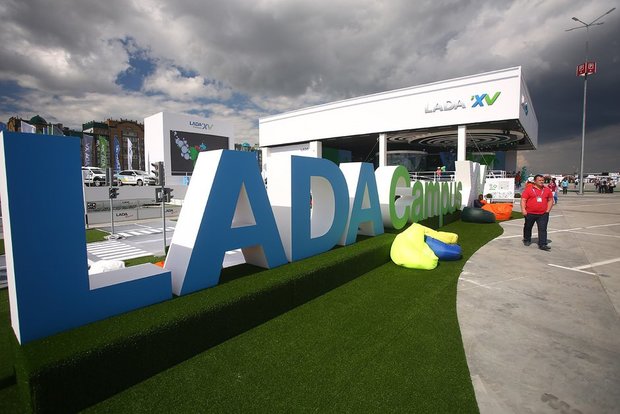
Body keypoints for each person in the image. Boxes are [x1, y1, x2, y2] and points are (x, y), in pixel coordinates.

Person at [521, 174, 554, 251]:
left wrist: (547, 210)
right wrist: (523, 209)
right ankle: (527, 239)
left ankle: (542, 244)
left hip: (543, 214)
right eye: (539, 180)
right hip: (530, 213)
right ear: (535, 181)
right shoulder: (528, 189)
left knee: (543, 229)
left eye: (542, 180)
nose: (541, 182)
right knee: (528, 227)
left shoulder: (547, 190)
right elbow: (523, 200)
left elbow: (550, 200)